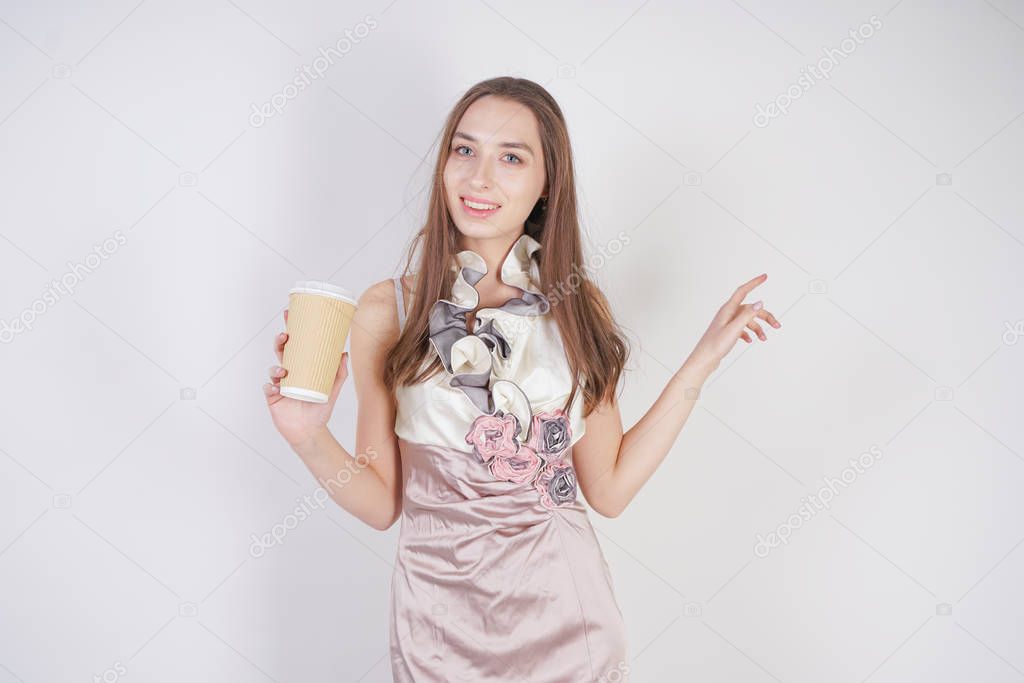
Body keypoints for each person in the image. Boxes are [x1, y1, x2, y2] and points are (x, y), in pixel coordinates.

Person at [263, 77, 780, 683]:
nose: (480, 177)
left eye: (511, 157)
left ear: (546, 185)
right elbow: (382, 503)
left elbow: (608, 488)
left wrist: (702, 360)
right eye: (465, 150)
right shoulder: (388, 310)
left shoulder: (576, 306)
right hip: (435, 632)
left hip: (568, 625)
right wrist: (305, 434)